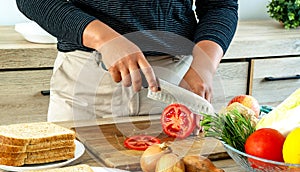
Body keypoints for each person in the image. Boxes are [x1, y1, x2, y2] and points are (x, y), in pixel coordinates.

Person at [16, 0, 238, 122]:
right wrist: (104, 38)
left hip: (175, 84)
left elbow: (220, 5)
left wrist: (204, 67)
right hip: (85, 83)